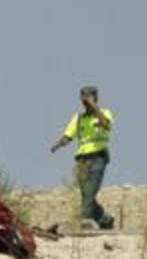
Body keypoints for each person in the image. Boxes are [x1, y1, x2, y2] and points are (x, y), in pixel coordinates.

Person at [50, 85, 115, 229]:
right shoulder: (78, 118)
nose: (86, 99)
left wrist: (94, 106)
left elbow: (106, 124)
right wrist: (58, 144)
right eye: (83, 96)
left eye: (89, 96)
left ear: (96, 98)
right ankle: (104, 218)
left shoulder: (105, 113)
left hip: (98, 157)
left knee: (91, 189)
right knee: (85, 192)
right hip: (82, 159)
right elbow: (68, 136)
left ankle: (87, 220)